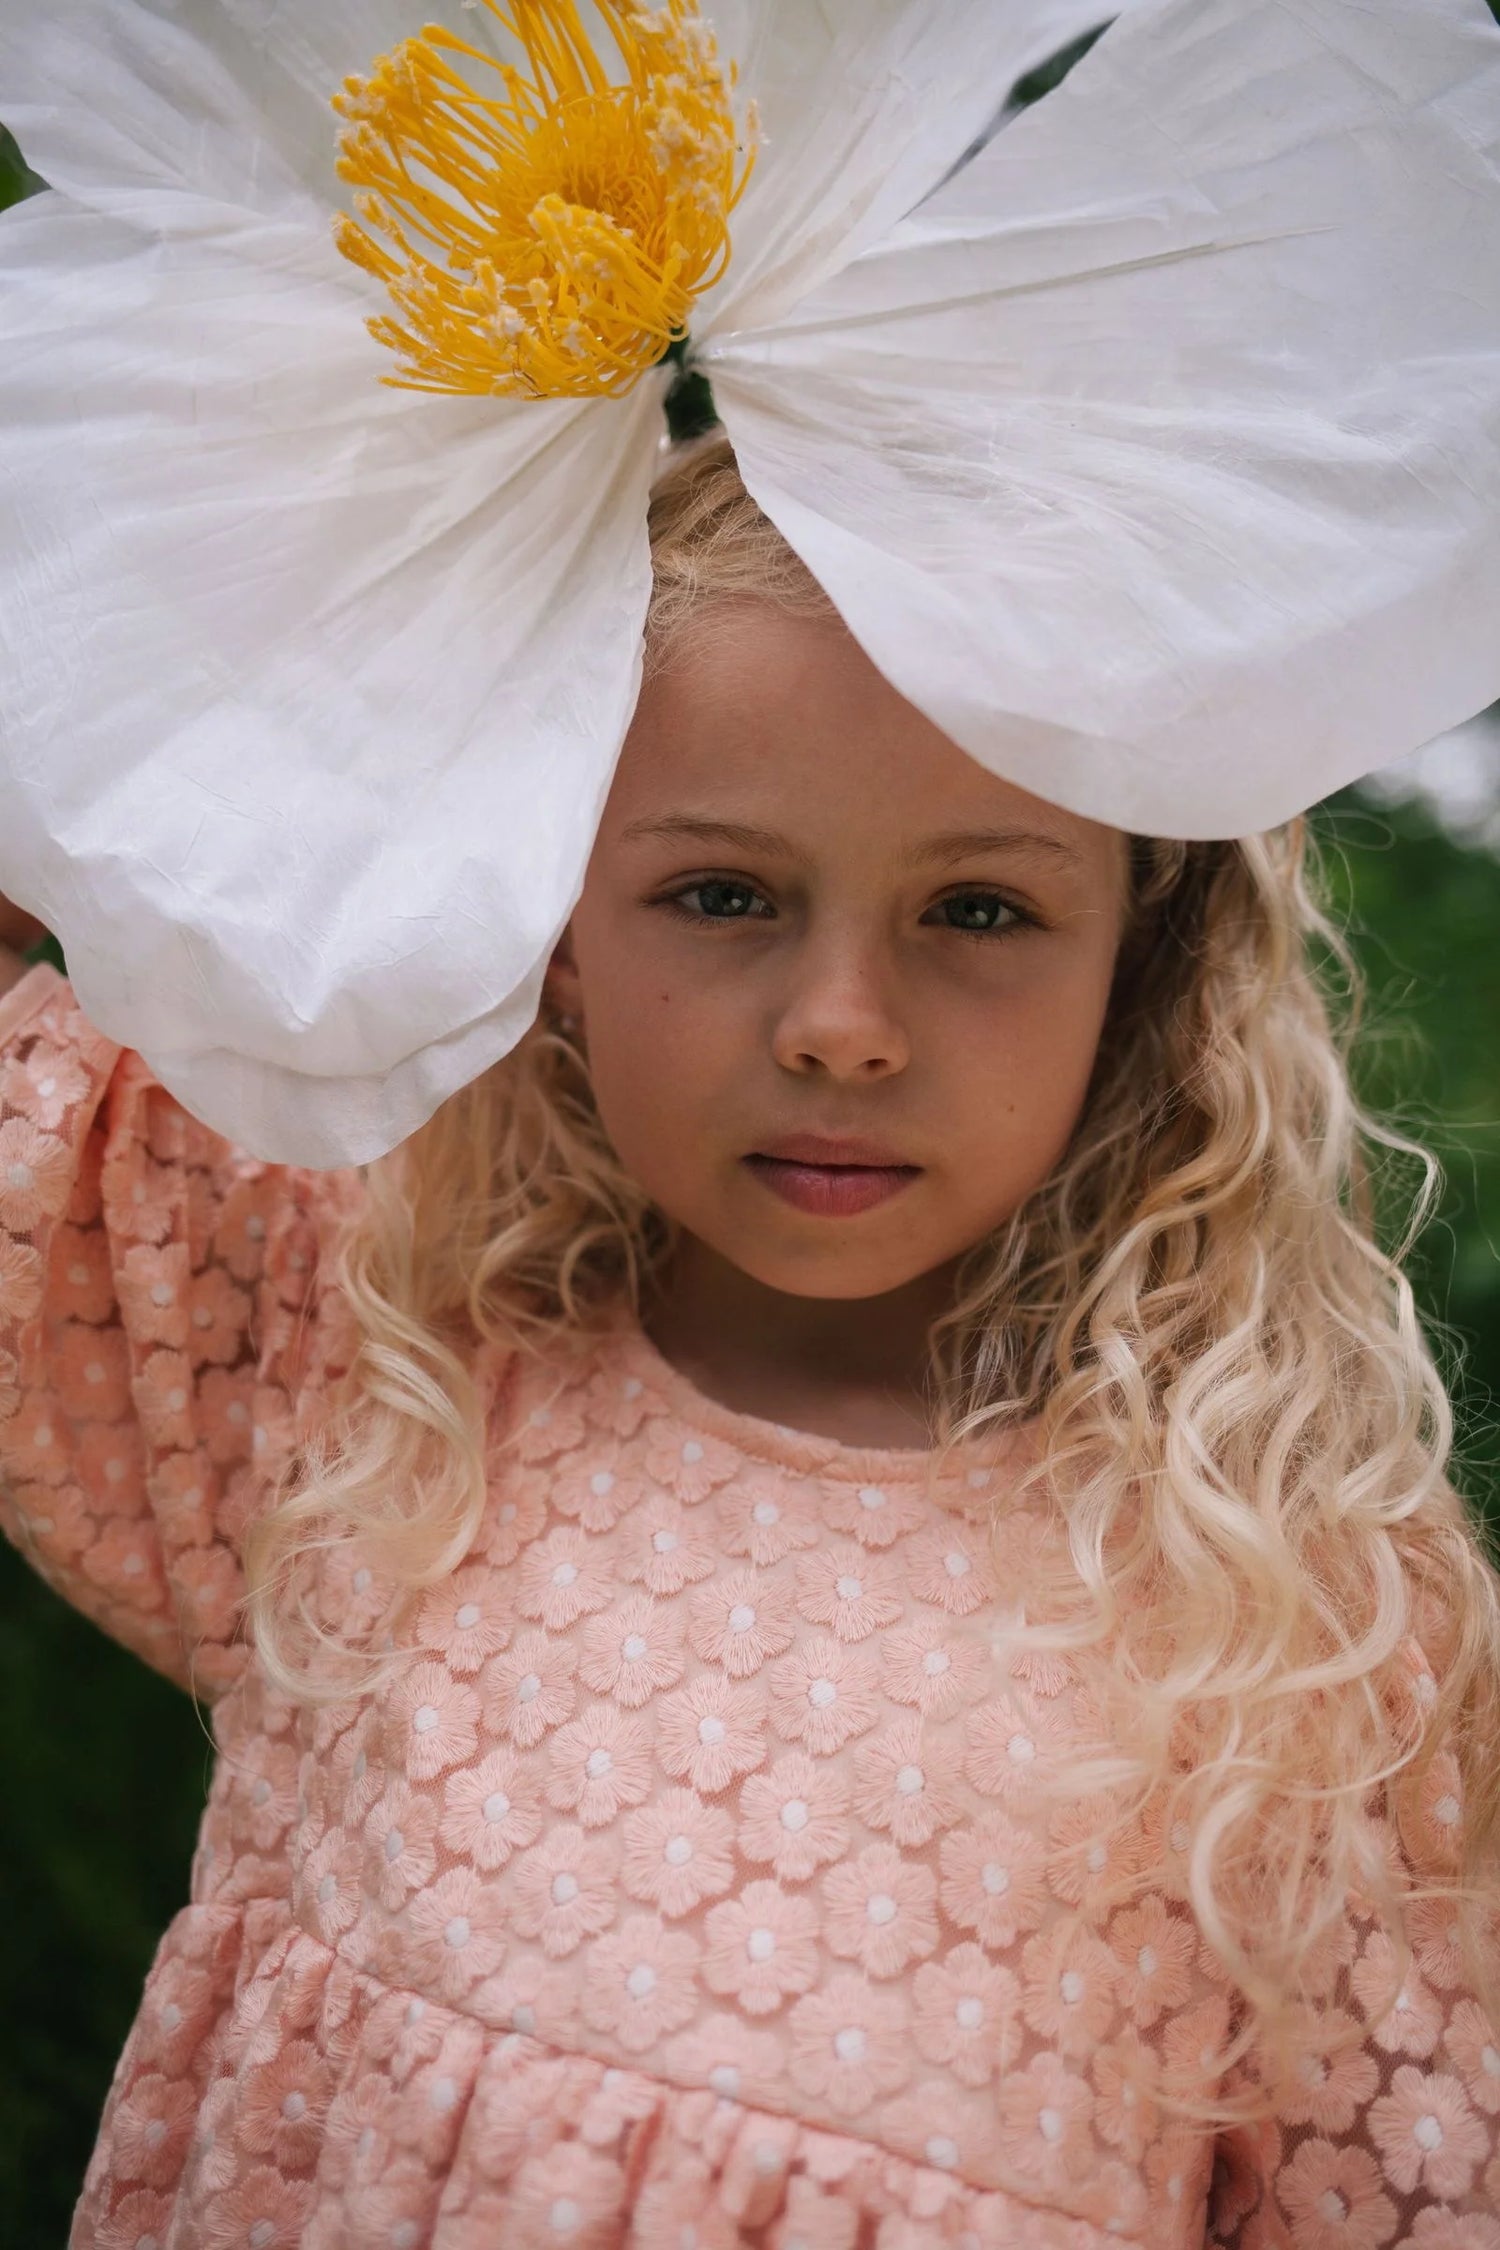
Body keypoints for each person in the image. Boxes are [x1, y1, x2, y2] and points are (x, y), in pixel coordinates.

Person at [3, 2, 1500, 2245]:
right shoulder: (365, 1356)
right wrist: (251, 638)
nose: (840, 1025)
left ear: (1148, 956)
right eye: (717, 894)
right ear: (551, 928)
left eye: (981, 910)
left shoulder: (1304, 1624)